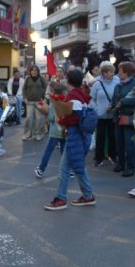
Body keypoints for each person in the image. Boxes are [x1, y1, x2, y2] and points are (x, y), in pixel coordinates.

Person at [44, 69, 96, 211]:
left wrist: (63, 119)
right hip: (82, 135)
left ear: (69, 81)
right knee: (77, 166)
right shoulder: (83, 94)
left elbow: (75, 116)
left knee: (65, 168)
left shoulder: (73, 95)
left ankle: (61, 198)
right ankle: (87, 195)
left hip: (75, 135)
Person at [110, 61, 135, 177]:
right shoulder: (118, 85)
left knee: (129, 143)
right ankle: (121, 163)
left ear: (126, 72)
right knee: (119, 142)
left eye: (120, 70)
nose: (118, 72)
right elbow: (114, 99)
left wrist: (123, 102)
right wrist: (112, 106)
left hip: (129, 116)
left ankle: (131, 166)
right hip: (118, 117)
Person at [35, 83, 67, 178]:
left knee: (48, 151)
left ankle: (41, 169)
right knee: (64, 152)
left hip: (54, 131)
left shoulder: (54, 103)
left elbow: (51, 118)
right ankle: (68, 171)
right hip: (64, 130)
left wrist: (46, 110)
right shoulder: (66, 102)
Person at [90, 61, 118, 167]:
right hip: (100, 116)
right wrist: (97, 109)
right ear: (104, 73)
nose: (112, 74)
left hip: (112, 114)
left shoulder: (117, 82)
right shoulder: (97, 84)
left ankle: (113, 156)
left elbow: (119, 97)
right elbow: (91, 99)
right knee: (100, 137)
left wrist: (114, 106)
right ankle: (99, 158)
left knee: (112, 137)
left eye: (113, 72)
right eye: (110, 72)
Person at [22, 64, 47, 141]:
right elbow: (24, 89)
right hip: (29, 101)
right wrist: (25, 98)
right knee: (29, 118)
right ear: (30, 71)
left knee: (39, 119)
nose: (34, 71)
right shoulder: (27, 79)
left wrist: (45, 98)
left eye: (35, 70)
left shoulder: (41, 78)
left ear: (38, 71)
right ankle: (27, 134)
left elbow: (46, 89)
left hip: (39, 101)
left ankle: (38, 134)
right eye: (32, 70)